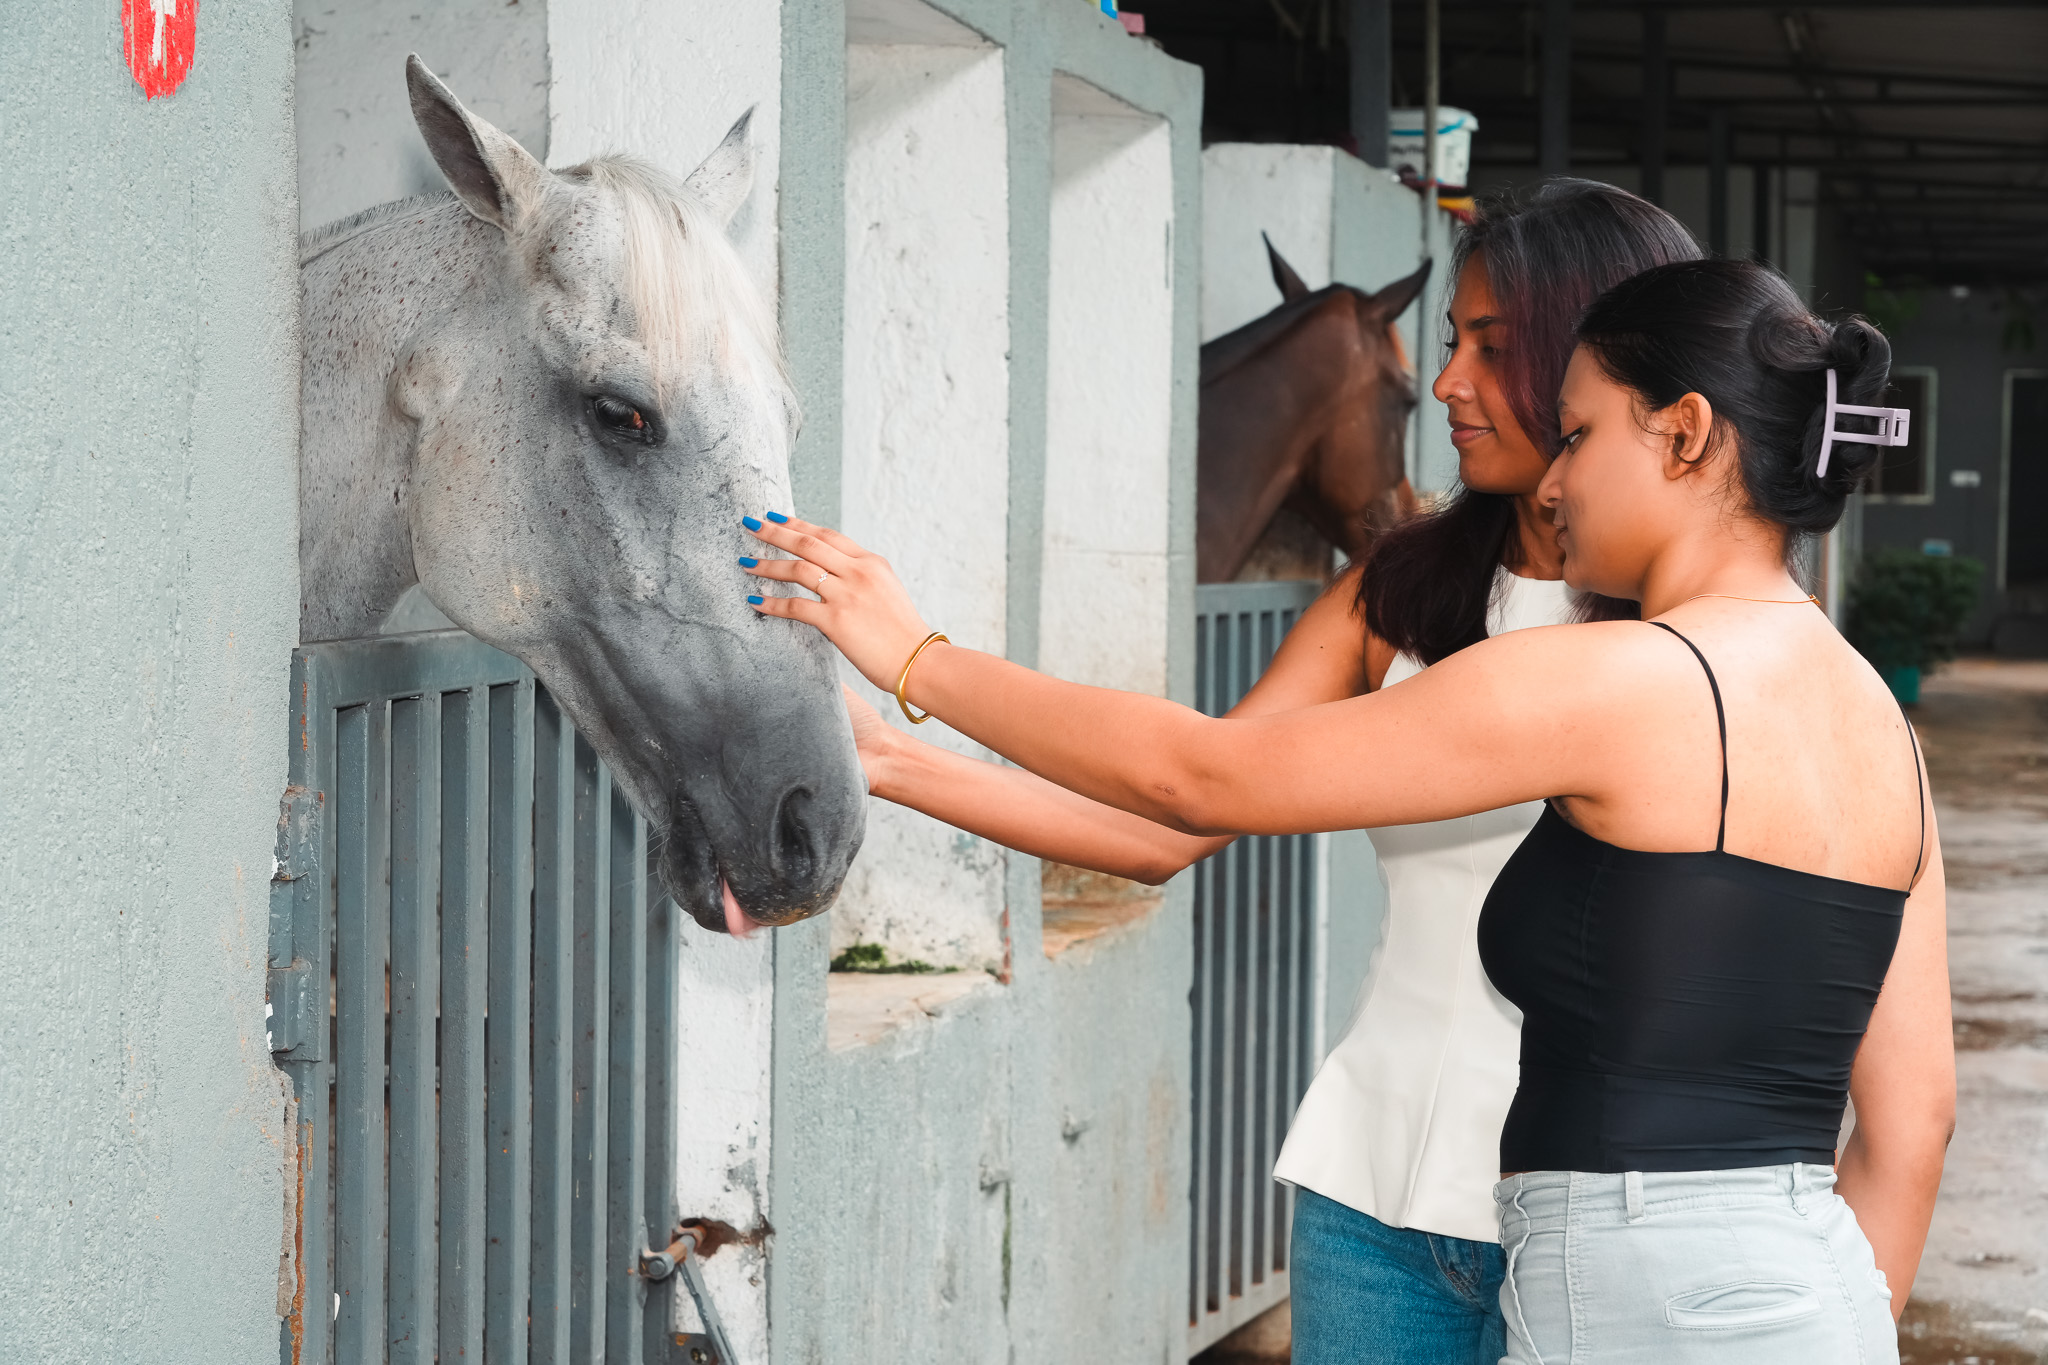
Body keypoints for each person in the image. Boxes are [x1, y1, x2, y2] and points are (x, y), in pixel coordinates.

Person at [740, 255, 1953, 1363]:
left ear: (1684, 435)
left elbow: (1196, 778)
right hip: (1816, 1294)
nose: (1560, 472)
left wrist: (916, 654)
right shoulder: (1880, 731)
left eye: (1579, 435)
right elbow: (1911, 1128)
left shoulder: (1624, 677)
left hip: (1630, 1290)